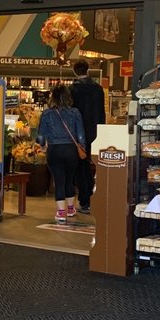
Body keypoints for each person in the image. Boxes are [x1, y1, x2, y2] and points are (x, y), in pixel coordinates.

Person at [36, 84, 85, 223]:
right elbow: (81, 135)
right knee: (70, 179)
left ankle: (61, 213)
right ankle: (71, 209)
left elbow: (40, 136)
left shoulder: (47, 113)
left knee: (59, 181)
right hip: (71, 150)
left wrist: (42, 146)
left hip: (54, 150)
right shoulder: (75, 112)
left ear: (53, 97)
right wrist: (82, 148)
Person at [69, 59, 105, 213]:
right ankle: (93, 197)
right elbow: (101, 112)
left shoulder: (73, 89)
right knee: (92, 166)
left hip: (78, 133)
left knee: (80, 166)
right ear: (88, 70)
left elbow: (70, 113)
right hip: (95, 132)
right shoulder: (98, 89)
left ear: (75, 71)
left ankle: (85, 200)